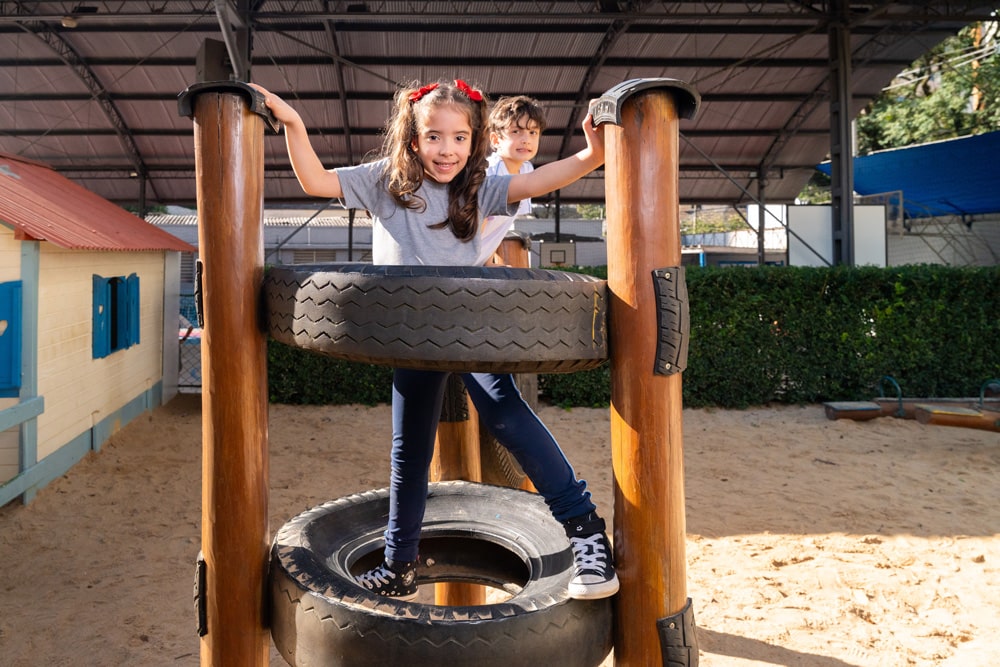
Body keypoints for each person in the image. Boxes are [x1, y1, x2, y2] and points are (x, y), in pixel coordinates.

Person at [251, 79, 618, 601]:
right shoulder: (384, 182)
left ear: (474, 141)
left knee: (505, 413)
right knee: (410, 450)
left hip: (468, 325)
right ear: (413, 137)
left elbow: (546, 179)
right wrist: (292, 122)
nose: (447, 150)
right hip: (410, 333)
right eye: (434, 136)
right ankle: (400, 563)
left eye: (460, 138)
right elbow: (313, 180)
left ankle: (586, 533)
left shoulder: (480, 186)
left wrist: (592, 153)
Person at [476, 95, 547, 266]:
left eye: (533, 132)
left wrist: (489, 263)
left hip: (477, 260)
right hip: (460, 262)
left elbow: (500, 226)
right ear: (495, 140)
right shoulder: (489, 172)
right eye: (516, 131)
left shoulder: (527, 170)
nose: (526, 139)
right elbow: (477, 224)